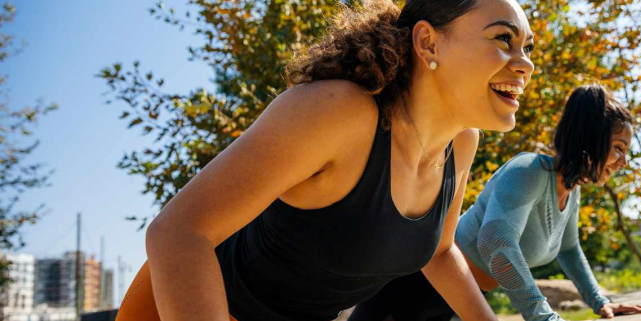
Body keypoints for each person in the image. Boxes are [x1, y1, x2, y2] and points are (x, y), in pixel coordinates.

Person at [114, 0, 535, 320]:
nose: (526, 64)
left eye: (527, 48)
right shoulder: (338, 112)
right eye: (504, 39)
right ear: (427, 42)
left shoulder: (461, 143)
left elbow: (440, 253)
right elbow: (177, 233)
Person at [350, 84, 641, 321]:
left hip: (451, 298)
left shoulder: (570, 190)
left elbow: (569, 250)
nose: (623, 161)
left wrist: (601, 302)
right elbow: (496, 242)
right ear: (592, 138)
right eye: (617, 148)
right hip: (411, 287)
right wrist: (542, 315)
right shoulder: (530, 170)